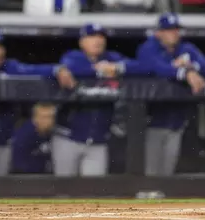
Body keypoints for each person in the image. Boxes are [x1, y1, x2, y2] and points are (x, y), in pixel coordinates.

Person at [0, 30, 75, 177]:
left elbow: (34, 70)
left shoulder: (10, 67)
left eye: (0, 47)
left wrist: (58, 69)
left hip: (3, 140)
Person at [54, 23, 150, 176]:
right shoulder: (73, 56)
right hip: (68, 138)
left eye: (101, 37)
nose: (98, 41)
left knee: (94, 194)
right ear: (82, 42)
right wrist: (100, 70)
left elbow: (144, 67)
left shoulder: (112, 59)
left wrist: (118, 68)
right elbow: (71, 67)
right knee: (63, 193)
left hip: (98, 142)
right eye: (92, 37)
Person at [137, 13, 205, 176]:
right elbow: (157, 68)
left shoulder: (186, 49)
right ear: (158, 33)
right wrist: (183, 72)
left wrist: (190, 67)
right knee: (151, 176)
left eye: (175, 29)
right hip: (152, 123)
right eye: (168, 30)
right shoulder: (149, 47)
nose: (173, 33)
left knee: (167, 175)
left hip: (177, 123)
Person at [11, 103, 56, 174]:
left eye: (50, 117)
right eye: (44, 117)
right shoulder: (24, 134)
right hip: (27, 176)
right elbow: (18, 165)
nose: (47, 121)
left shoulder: (48, 131)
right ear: (35, 118)